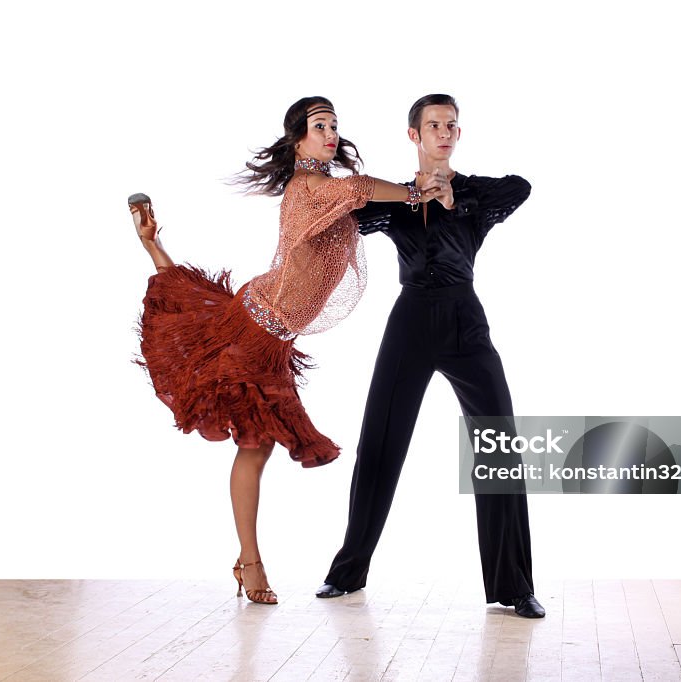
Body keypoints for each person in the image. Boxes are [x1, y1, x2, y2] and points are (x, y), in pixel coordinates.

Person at [130, 96, 444, 606]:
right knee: (253, 446)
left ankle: (247, 560)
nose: (331, 134)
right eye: (320, 126)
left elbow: (359, 196)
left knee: (256, 448)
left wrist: (421, 195)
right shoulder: (309, 188)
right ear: (298, 138)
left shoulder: (327, 191)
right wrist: (413, 190)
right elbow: (360, 188)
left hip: (270, 337)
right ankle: (249, 561)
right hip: (254, 329)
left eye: (335, 126)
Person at [316, 94, 545, 618]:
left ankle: (514, 585)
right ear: (414, 136)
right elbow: (347, 206)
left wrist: (451, 201)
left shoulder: (477, 195)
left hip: (466, 320)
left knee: (498, 446)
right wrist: (412, 194)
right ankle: (348, 572)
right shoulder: (396, 199)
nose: (445, 132)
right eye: (434, 125)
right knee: (380, 441)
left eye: (452, 125)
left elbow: (522, 188)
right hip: (412, 319)